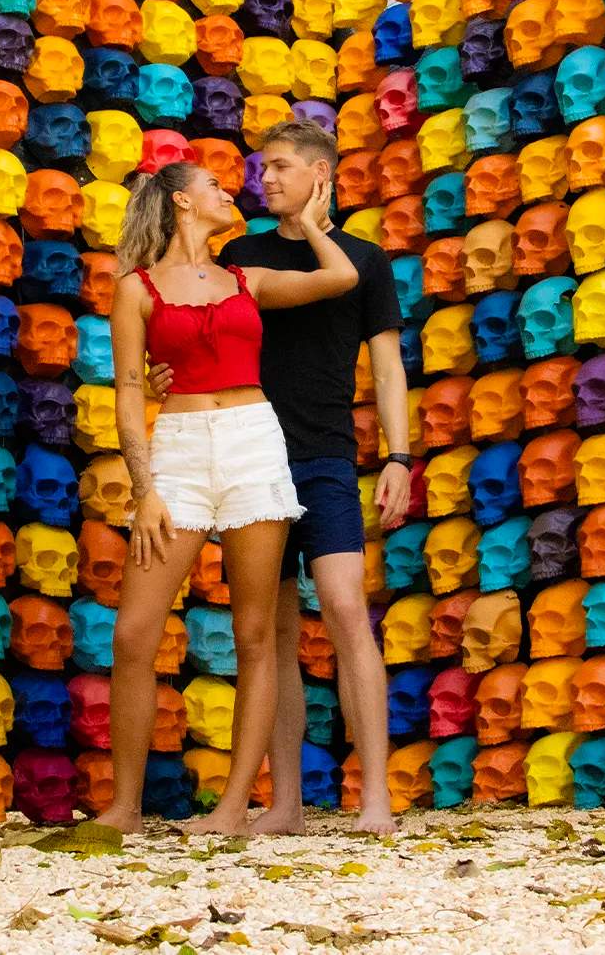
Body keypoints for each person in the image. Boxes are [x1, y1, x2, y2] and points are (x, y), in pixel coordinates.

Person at [149, 120, 410, 835]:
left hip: (325, 456)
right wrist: (164, 371)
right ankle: (286, 803)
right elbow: (197, 334)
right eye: (265, 168)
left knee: (346, 607)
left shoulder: (365, 259)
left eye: (283, 168)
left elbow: (387, 365)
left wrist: (399, 455)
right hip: (253, 456)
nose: (266, 179)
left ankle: (376, 798)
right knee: (275, 630)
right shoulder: (241, 256)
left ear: (321, 176)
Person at [95, 159, 360, 837]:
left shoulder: (248, 278)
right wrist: (145, 486)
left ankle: (234, 809)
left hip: (252, 441)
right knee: (133, 635)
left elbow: (341, 277)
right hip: (180, 447)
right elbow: (129, 390)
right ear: (183, 201)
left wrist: (305, 221)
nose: (231, 191)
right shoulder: (137, 289)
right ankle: (124, 808)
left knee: (254, 636)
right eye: (215, 184)